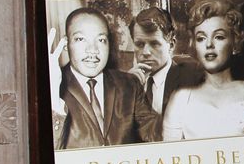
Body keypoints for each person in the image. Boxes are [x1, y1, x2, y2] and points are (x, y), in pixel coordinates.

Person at [49, 8, 161, 149]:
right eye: (80, 39)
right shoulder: (53, 86)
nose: (93, 50)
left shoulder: (129, 85)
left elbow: (155, 134)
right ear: (66, 44)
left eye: (101, 40)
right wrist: (53, 101)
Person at [163, 0, 244, 140]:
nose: (209, 44)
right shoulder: (181, 100)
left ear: (235, 43)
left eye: (219, 37)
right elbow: (171, 155)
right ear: (194, 45)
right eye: (201, 38)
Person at [128, 6, 196, 116]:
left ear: (171, 44)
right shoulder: (127, 84)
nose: (146, 52)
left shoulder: (190, 83)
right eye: (139, 44)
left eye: (154, 44)